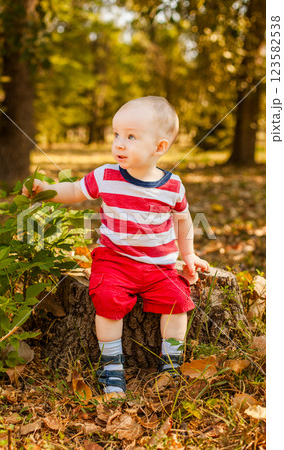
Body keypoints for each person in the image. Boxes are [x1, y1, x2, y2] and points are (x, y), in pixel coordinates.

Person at [22, 96, 209, 394]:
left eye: (131, 136)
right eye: (117, 134)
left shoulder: (172, 186)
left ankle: (171, 366)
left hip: (160, 265)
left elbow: (184, 220)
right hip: (115, 260)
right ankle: (112, 369)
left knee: (177, 302)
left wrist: (188, 255)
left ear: (159, 147)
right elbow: (73, 190)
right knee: (107, 301)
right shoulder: (106, 175)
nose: (119, 143)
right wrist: (46, 191)